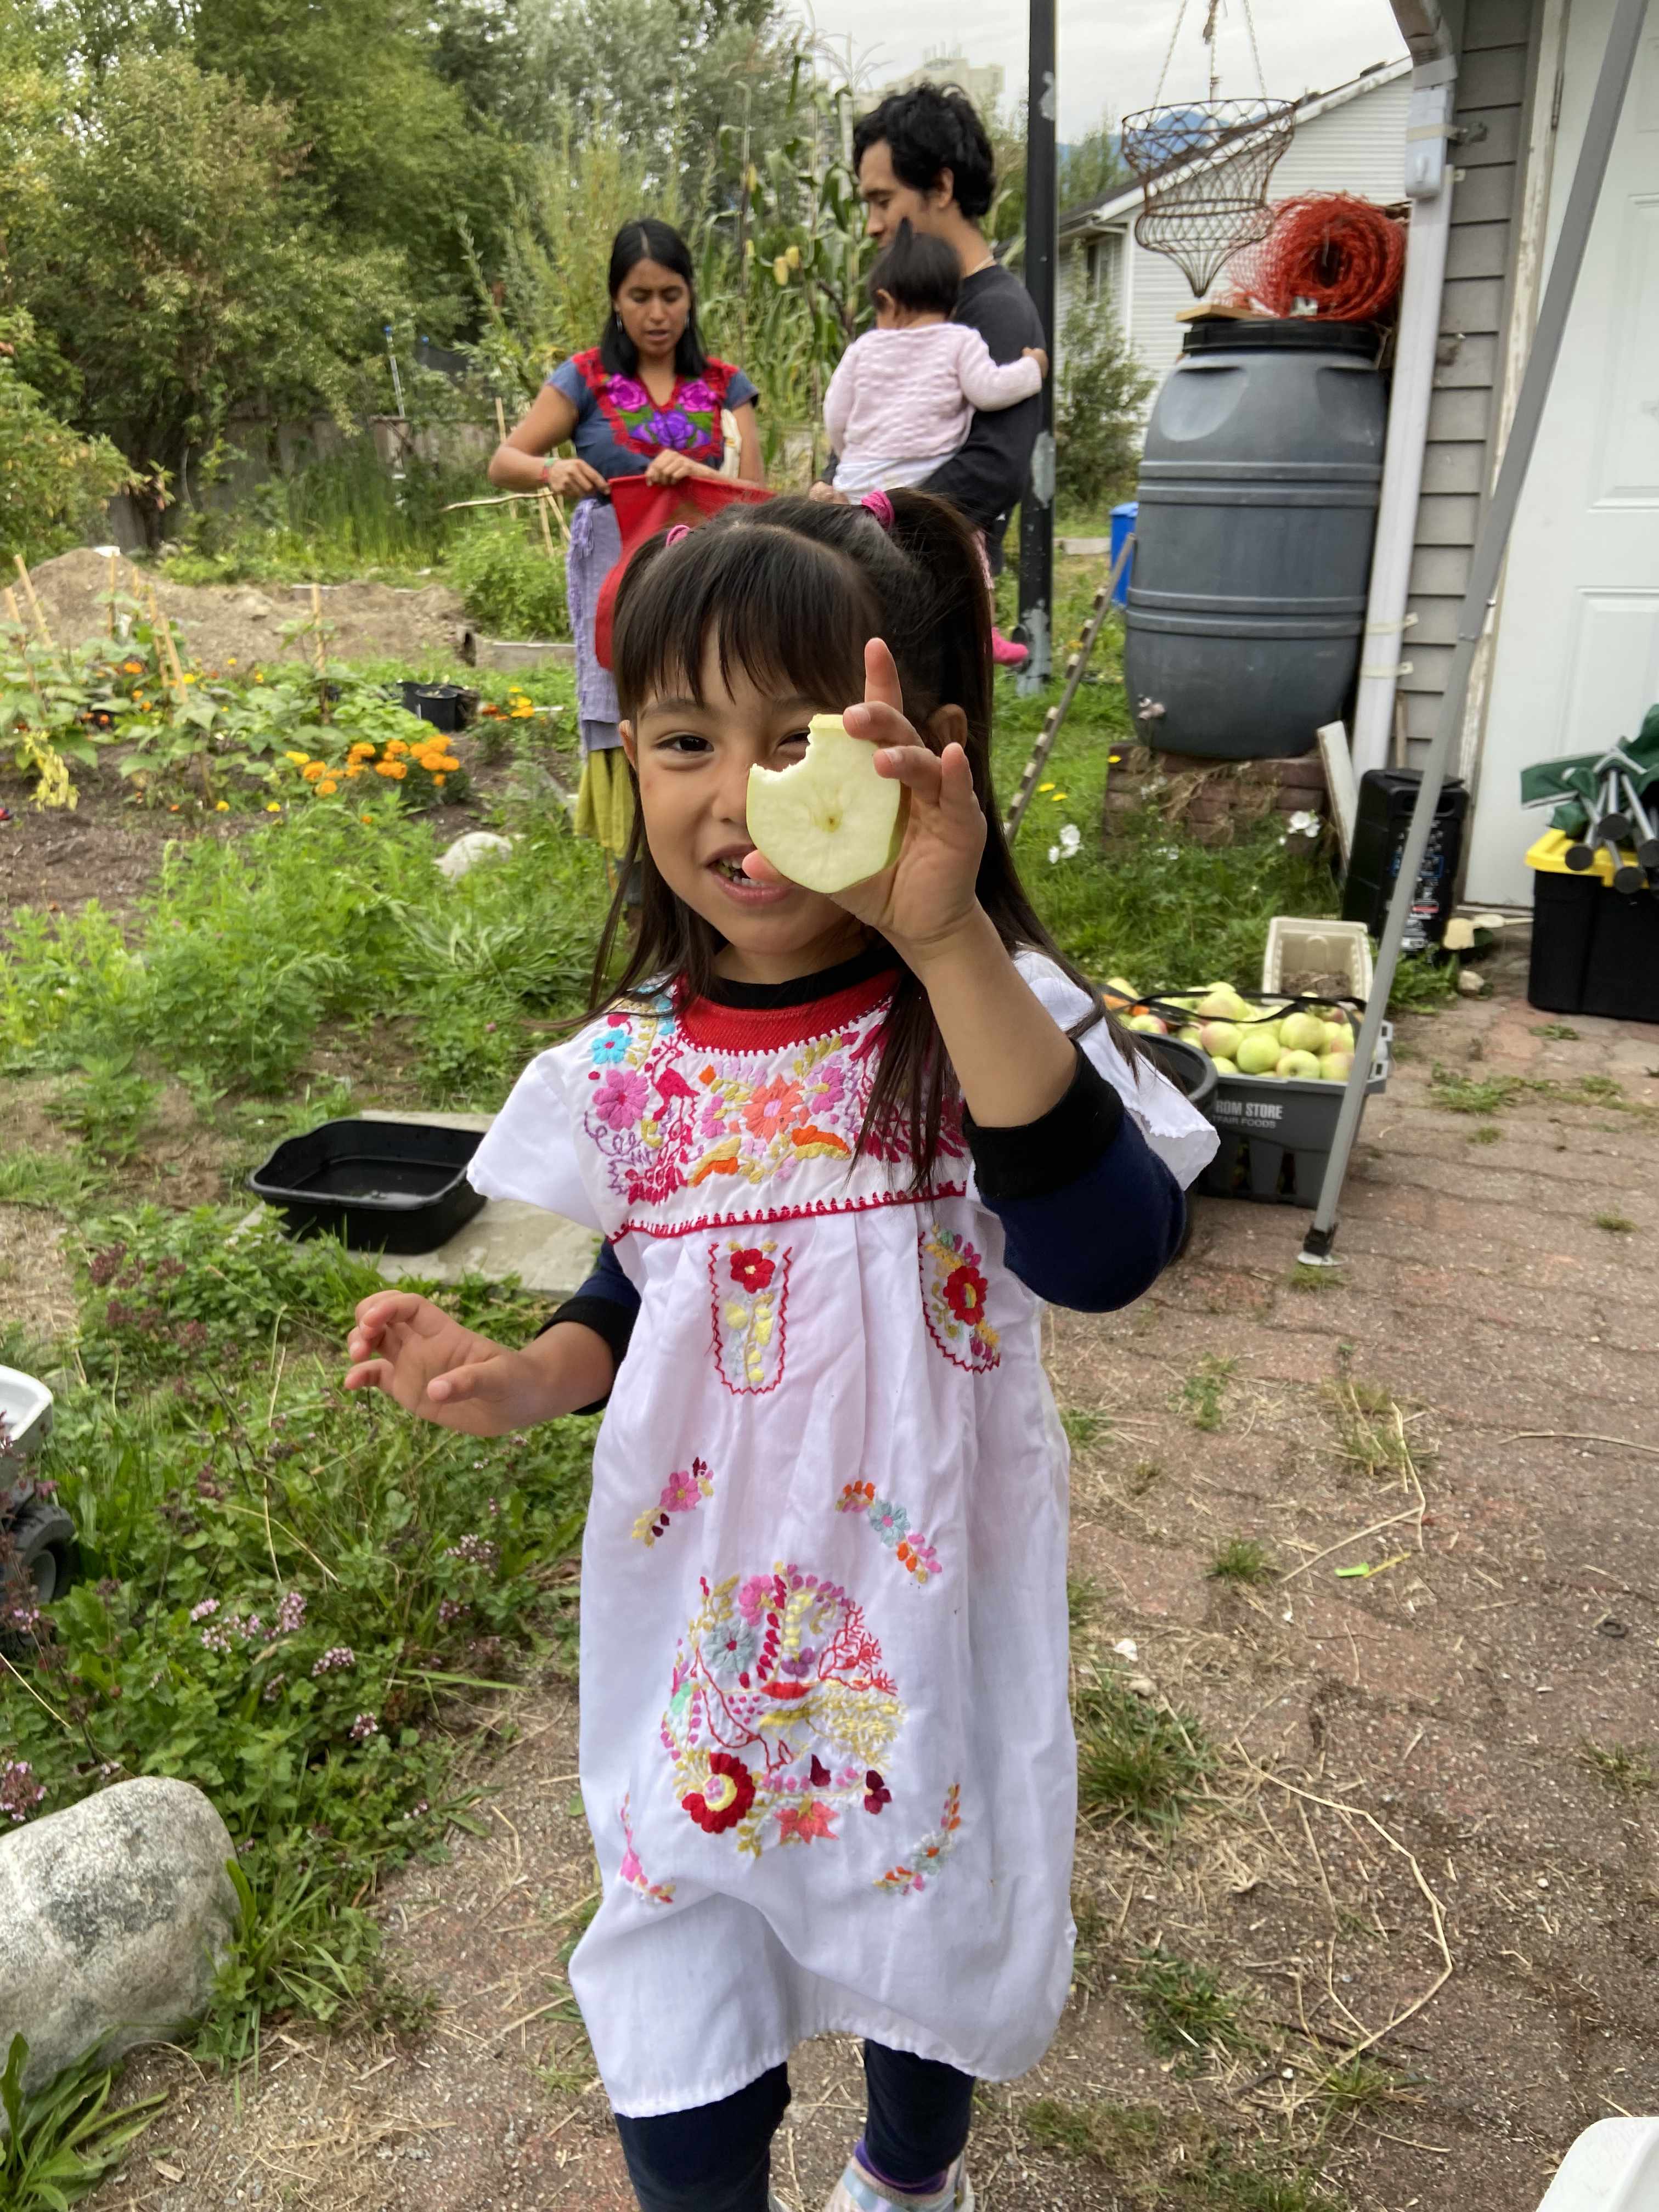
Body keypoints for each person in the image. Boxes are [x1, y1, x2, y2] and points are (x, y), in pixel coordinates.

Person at [343, 489, 1217, 2212]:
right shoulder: (630, 1066)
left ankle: (906, 2177)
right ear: (630, 770)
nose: (738, 800)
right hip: (700, 1647)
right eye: (684, 740)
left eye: (802, 739)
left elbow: (1109, 1254)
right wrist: (523, 1376)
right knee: (677, 1993)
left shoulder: (978, 1016)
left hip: (923, 1624)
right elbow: (643, 1285)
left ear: (929, 762)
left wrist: (948, 933)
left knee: (922, 1940)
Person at [487, 217, 764, 878]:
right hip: (620, 590)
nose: (657, 313)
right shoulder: (585, 379)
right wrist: (552, 471)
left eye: (670, 295)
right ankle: (638, 883)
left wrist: (697, 475)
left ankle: (724, 856)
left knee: (709, 699)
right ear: (616, 300)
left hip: (711, 586)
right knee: (635, 710)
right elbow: (505, 460)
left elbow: (755, 492)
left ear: (691, 296)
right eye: (640, 297)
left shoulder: (727, 386)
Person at [831, 83, 1048, 668]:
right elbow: (857, 430)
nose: (874, 225)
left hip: (938, 605)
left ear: (942, 188)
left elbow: (990, 471)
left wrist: (870, 516)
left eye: (884, 201)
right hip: (875, 582)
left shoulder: (997, 314)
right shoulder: (902, 308)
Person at [815, 223, 1047, 502]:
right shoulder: (962, 340)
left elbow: (835, 413)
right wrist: (1033, 368)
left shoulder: (862, 348)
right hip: (921, 486)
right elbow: (990, 391)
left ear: (886, 302)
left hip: (857, 482)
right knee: (972, 542)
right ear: (952, 305)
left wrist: (849, 456)